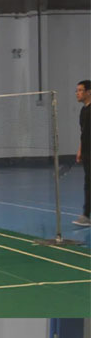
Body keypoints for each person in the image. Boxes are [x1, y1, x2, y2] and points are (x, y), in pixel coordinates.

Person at [73, 79, 91, 227]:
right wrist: (80, 150)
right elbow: (83, 134)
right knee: (88, 183)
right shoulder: (83, 111)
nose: (77, 93)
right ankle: (86, 215)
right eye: (77, 90)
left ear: (88, 92)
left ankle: (86, 215)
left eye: (80, 90)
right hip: (87, 153)